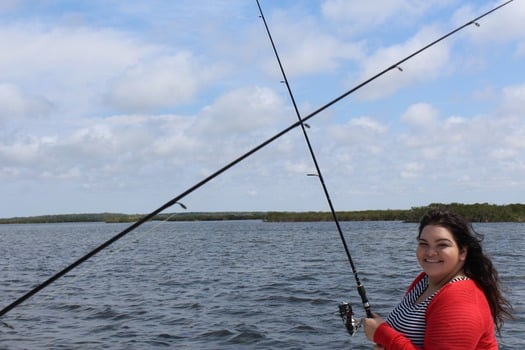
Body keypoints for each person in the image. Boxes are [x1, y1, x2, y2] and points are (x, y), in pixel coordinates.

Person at [362, 207, 513, 349]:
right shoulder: (424, 280)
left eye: (442, 245)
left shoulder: (461, 301)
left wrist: (382, 333)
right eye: (423, 244)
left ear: (462, 252)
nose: (430, 252)